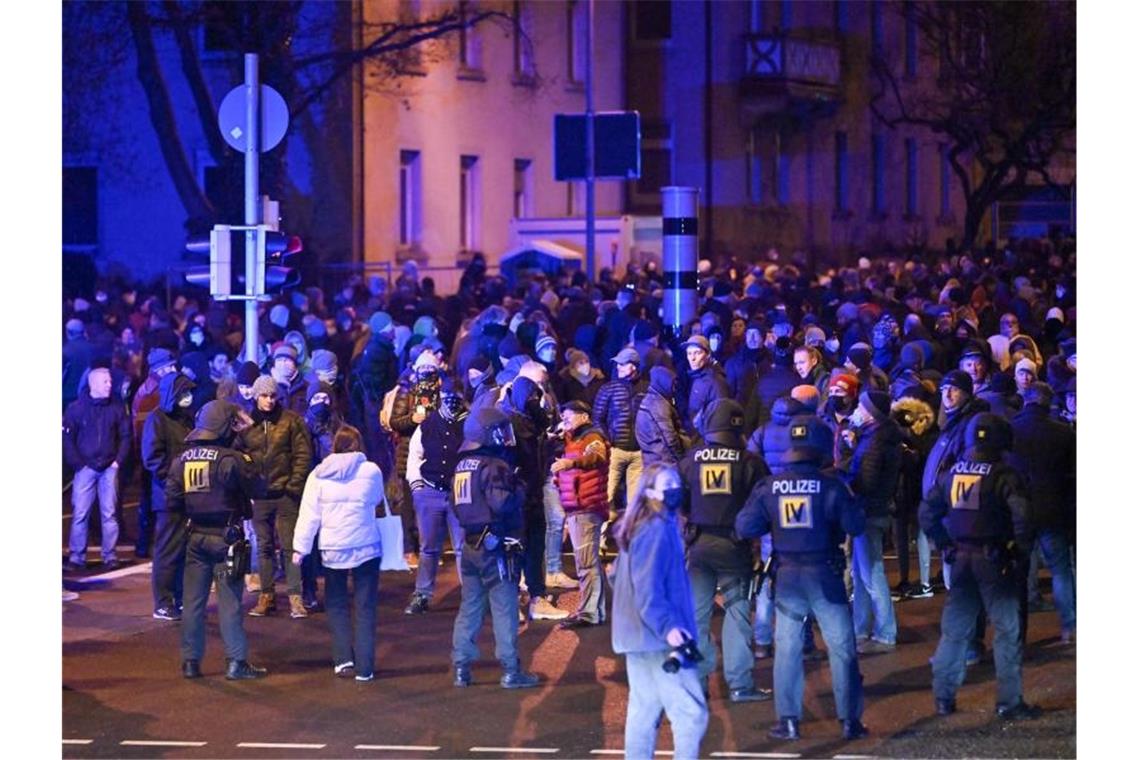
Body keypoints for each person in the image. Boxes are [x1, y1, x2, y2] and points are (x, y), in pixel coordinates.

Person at [735, 414, 868, 741]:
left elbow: (745, 526)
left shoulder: (769, 487)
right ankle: (850, 721)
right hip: (826, 576)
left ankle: (789, 721)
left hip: (788, 578)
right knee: (841, 648)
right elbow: (856, 526)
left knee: (788, 650)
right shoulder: (833, 485)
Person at [919, 413, 1041, 721]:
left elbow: (927, 514)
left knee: (955, 631)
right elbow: (1024, 519)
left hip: (961, 558)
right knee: (1006, 630)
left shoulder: (952, 473)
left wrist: (945, 543)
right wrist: (1019, 552)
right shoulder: (1004, 475)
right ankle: (1009, 702)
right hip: (995, 560)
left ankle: (943, 697)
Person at [610, 462, 709, 759]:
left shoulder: (639, 524)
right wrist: (669, 627)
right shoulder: (656, 529)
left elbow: (618, 576)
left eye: (675, 483)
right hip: (658, 637)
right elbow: (649, 589)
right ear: (650, 492)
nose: (674, 490)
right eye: (667, 486)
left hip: (637, 635)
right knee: (691, 714)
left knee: (644, 710)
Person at [678, 399, 771, 702]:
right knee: (737, 614)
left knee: (697, 616)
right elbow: (763, 504)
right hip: (735, 547)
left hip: (699, 546)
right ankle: (740, 684)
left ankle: (697, 684)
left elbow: (676, 502)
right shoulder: (749, 461)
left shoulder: (691, 459)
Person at [166, 400, 267, 680]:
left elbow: (172, 501)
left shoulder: (182, 459)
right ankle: (236, 662)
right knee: (230, 602)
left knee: (193, 602)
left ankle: (190, 662)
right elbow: (260, 484)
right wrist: (250, 436)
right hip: (226, 538)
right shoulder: (230, 459)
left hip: (195, 536)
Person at [449, 407, 541, 689]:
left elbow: (455, 506)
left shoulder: (462, 466)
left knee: (471, 606)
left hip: (470, 545)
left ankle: (461, 667)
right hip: (496, 546)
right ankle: (511, 670)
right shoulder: (493, 466)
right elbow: (502, 503)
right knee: (504, 609)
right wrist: (520, 488)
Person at [292, 425, 384, 682]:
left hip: (333, 547)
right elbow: (376, 499)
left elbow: (309, 514)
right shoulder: (371, 471)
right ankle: (365, 668)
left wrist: (301, 547)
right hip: (366, 545)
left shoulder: (318, 475)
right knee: (365, 606)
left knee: (337, 603)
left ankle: (343, 660)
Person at [241, 374, 314, 619]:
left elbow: (303, 455)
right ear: (256, 396)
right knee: (264, 547)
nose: (269, 401)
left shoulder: (291, 421)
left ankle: (295, 597)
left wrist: (293, 487)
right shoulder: (246, 423)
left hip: (284, 494)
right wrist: (248, 488)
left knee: (290, 548)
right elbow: (238, 457)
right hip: (259, 496)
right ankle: (267, 596)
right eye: (264, 396)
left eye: (273, 396)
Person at [1009, 382, 1076, 644]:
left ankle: (1018, 633)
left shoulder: (1011, 430)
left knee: (1022, 571)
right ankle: (1069, 627)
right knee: (1060, 569)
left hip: (1021, 510)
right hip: (1053, 509)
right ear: (1049, 403)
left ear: (1026, 401)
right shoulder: (1063, 432)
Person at [841, 390, 902, 654]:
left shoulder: (875, 440)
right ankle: (861, 628)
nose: (855, 409)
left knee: (871, 573)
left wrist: (845, 483)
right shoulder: (877, 437)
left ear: (869, 413)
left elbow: (867, 478)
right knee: (861, 571)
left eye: (860, 406)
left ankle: (886, 631)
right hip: (873, 510)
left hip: (869, 511)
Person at [404, 376, 469, 615]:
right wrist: (417, 486)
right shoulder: (428, 424)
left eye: (456, 397)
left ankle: (470, 595)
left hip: (457, 493)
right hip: (429, 491)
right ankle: (422, 594)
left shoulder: (469, 424)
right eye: (448, 396)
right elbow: (415, 455)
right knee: (429, 548)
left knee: (462, 547)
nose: (452, 401)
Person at [140, 372, 197, 619]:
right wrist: (174, 481)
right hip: (168, 496)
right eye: (183, 393)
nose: (188, 397)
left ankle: (180, 597)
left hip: (188, 495)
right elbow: (153, 459)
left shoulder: (187, 419)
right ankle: (163, 601)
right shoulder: (157, 420)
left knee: (185, 548)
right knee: (167, 550)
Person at [64, 364, 132, 570]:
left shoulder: (116, 408)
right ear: (93, 384)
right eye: (106, 381)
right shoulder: (76, 409)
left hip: (108, 468)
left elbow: (126, 436)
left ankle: (109, 556)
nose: (110, 384)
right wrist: (78, 464)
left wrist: (117, 462)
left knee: (109, 514)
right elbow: (67, 438)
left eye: (110, 381)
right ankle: (77, 557)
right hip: (85, 468)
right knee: (81, 514)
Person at [550, 400, 609, 629]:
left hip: (587, 507)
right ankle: (596, 610)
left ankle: (588, 612)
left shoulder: (592, 437)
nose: (565, 421)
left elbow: (597, 456)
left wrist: (569, 463)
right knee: (589, 561)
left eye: (569, 416)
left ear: (584, 416)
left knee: (585, 563)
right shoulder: (569, 439)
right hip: (576, 507)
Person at [592, 347, 647, 515]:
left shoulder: (647, 388)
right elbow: (597, 418)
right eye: (618, 364)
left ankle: (632, 539)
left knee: (635, 503)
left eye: (623, 364)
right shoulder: (608, 389)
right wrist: (608, 441)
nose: (618, 367)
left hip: (639, 452)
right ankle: (601, 539)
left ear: (635, 366)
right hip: (616, 450)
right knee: (606, 498)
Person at [636, 366, 689, 469]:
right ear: (664, 383)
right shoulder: (659, 405)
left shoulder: (650, 400)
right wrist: (681, 459)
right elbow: (669, 437)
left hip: (652, 460)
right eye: (672, 384)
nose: (674, 388)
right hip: (664, 462)